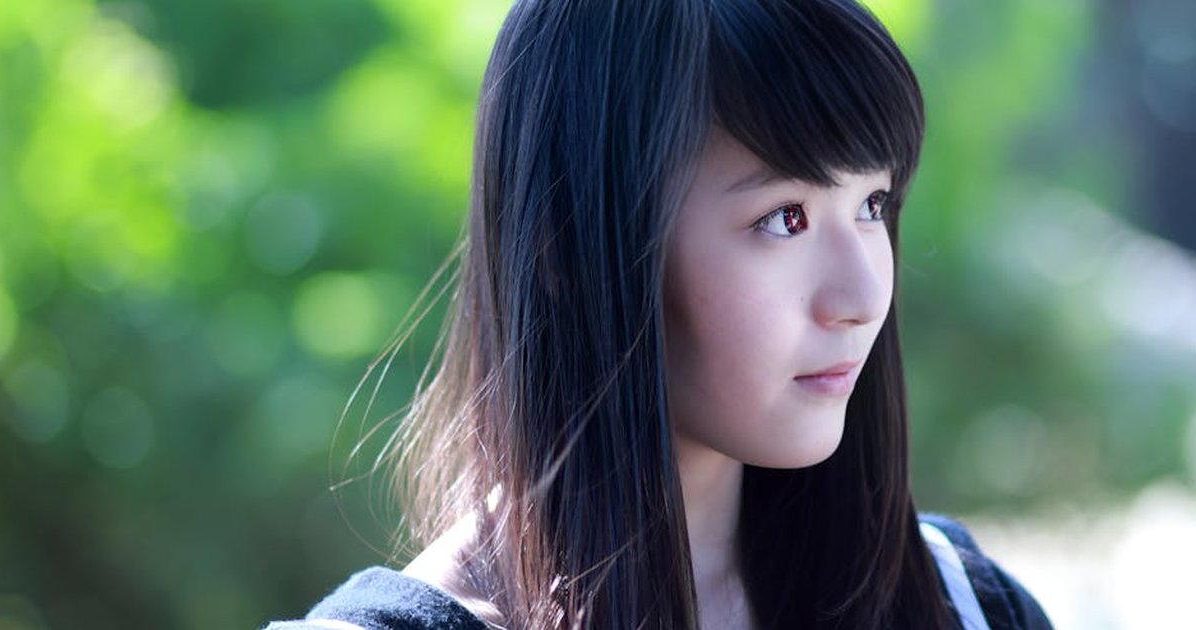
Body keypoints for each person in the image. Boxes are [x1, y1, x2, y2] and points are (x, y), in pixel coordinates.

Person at [266, 0, 1053, 628]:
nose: (862, 298)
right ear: (567, 247)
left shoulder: (963, 603)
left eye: (873, 204)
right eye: (785, 218)